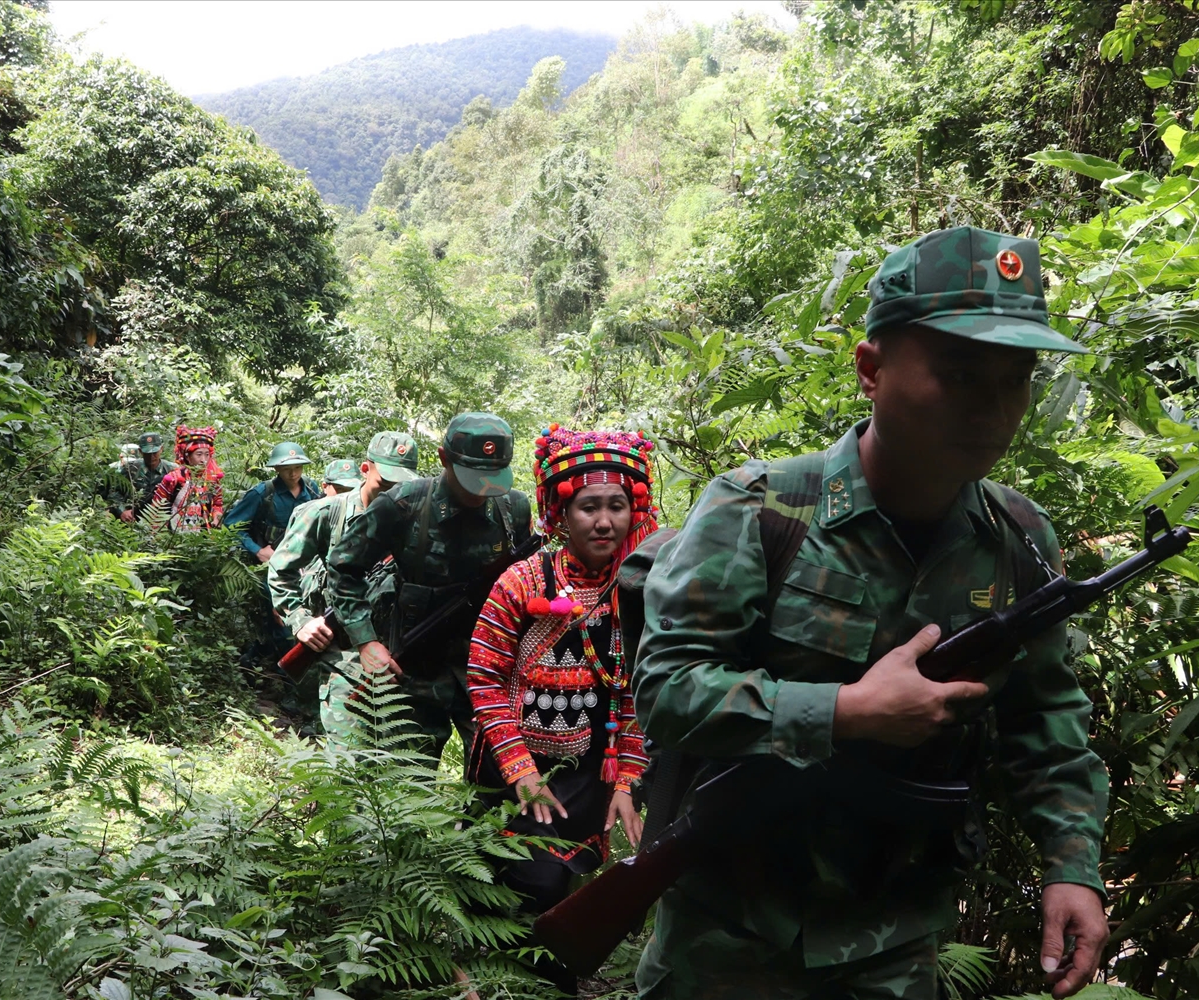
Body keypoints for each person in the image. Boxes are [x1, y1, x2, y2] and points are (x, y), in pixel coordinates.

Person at [631, 227, 1109, 1000]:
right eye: (959, 375)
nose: (993, 409)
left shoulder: (1018, 540)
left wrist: (1073, 868)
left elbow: (1046, 715)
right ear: (870, 370)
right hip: (727, 938)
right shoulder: (759, 512)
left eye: (1015, 379)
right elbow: (667, 691)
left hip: (896, 942)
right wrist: (848, 712)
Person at [466, 425, 657, 992]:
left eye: (617, 506)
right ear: (560, 514)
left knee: (560, 879)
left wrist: (626, 780)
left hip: (588, 770)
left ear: (634, 509)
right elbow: (484, 675)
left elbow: (635, 691)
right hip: (514, 765)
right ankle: (498, 974)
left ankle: (546, 979)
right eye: (589, 507)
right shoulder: (522, 581)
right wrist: (521, 770)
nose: (604, 521)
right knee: (518, 880)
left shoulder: (641, 587)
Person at [327, 412, 533, 762]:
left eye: (490, 478)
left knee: (496, 781)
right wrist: (366, 641)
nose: (480, 490)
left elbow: (523, 584)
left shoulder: (512, 508)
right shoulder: (403, 505)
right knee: (407, 781)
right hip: (414, 669)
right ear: (443, 458)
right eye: (471, 477)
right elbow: (344, 567)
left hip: (488, 671)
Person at [268, 433, 419, 737]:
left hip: (398, 658)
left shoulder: (416, 518)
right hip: (343, 657)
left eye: (400, 484)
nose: (392, 492)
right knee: (348, 760)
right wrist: (300, 621)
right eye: (384, 483)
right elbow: (281, 569)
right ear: (366, 469)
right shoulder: (325, 513)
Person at [223, 441, 323, 563]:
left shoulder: (311, 488)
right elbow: (231, 524)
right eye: (287, 469)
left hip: (305, 558)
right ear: (277, 468)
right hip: (271, 560)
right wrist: (258, 551)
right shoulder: (262, 493)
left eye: (298, 467)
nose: (293, 474)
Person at [149, 426, 224, 532]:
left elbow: (218, 504)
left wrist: (216, 517)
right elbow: (156, 508)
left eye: (207, 455)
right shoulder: (174, 478)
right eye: (199, 454)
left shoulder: (212, 479)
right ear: (187, 456)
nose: (203, 460)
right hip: (173, 537)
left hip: (203, 536)